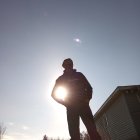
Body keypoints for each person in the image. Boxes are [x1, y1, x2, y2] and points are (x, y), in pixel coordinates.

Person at [51, 58, 101, 140]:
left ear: (72, 65)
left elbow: (89, 88)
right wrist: (66, 104)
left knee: (92, 130)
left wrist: (87, 99)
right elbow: (53, 94)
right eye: (66, 65)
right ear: (64, 67)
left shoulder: (79, 75)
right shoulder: (60, 79)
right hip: (71, 108)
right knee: (74, 134)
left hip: (84, 106)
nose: (68, 66)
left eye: (70, 64)